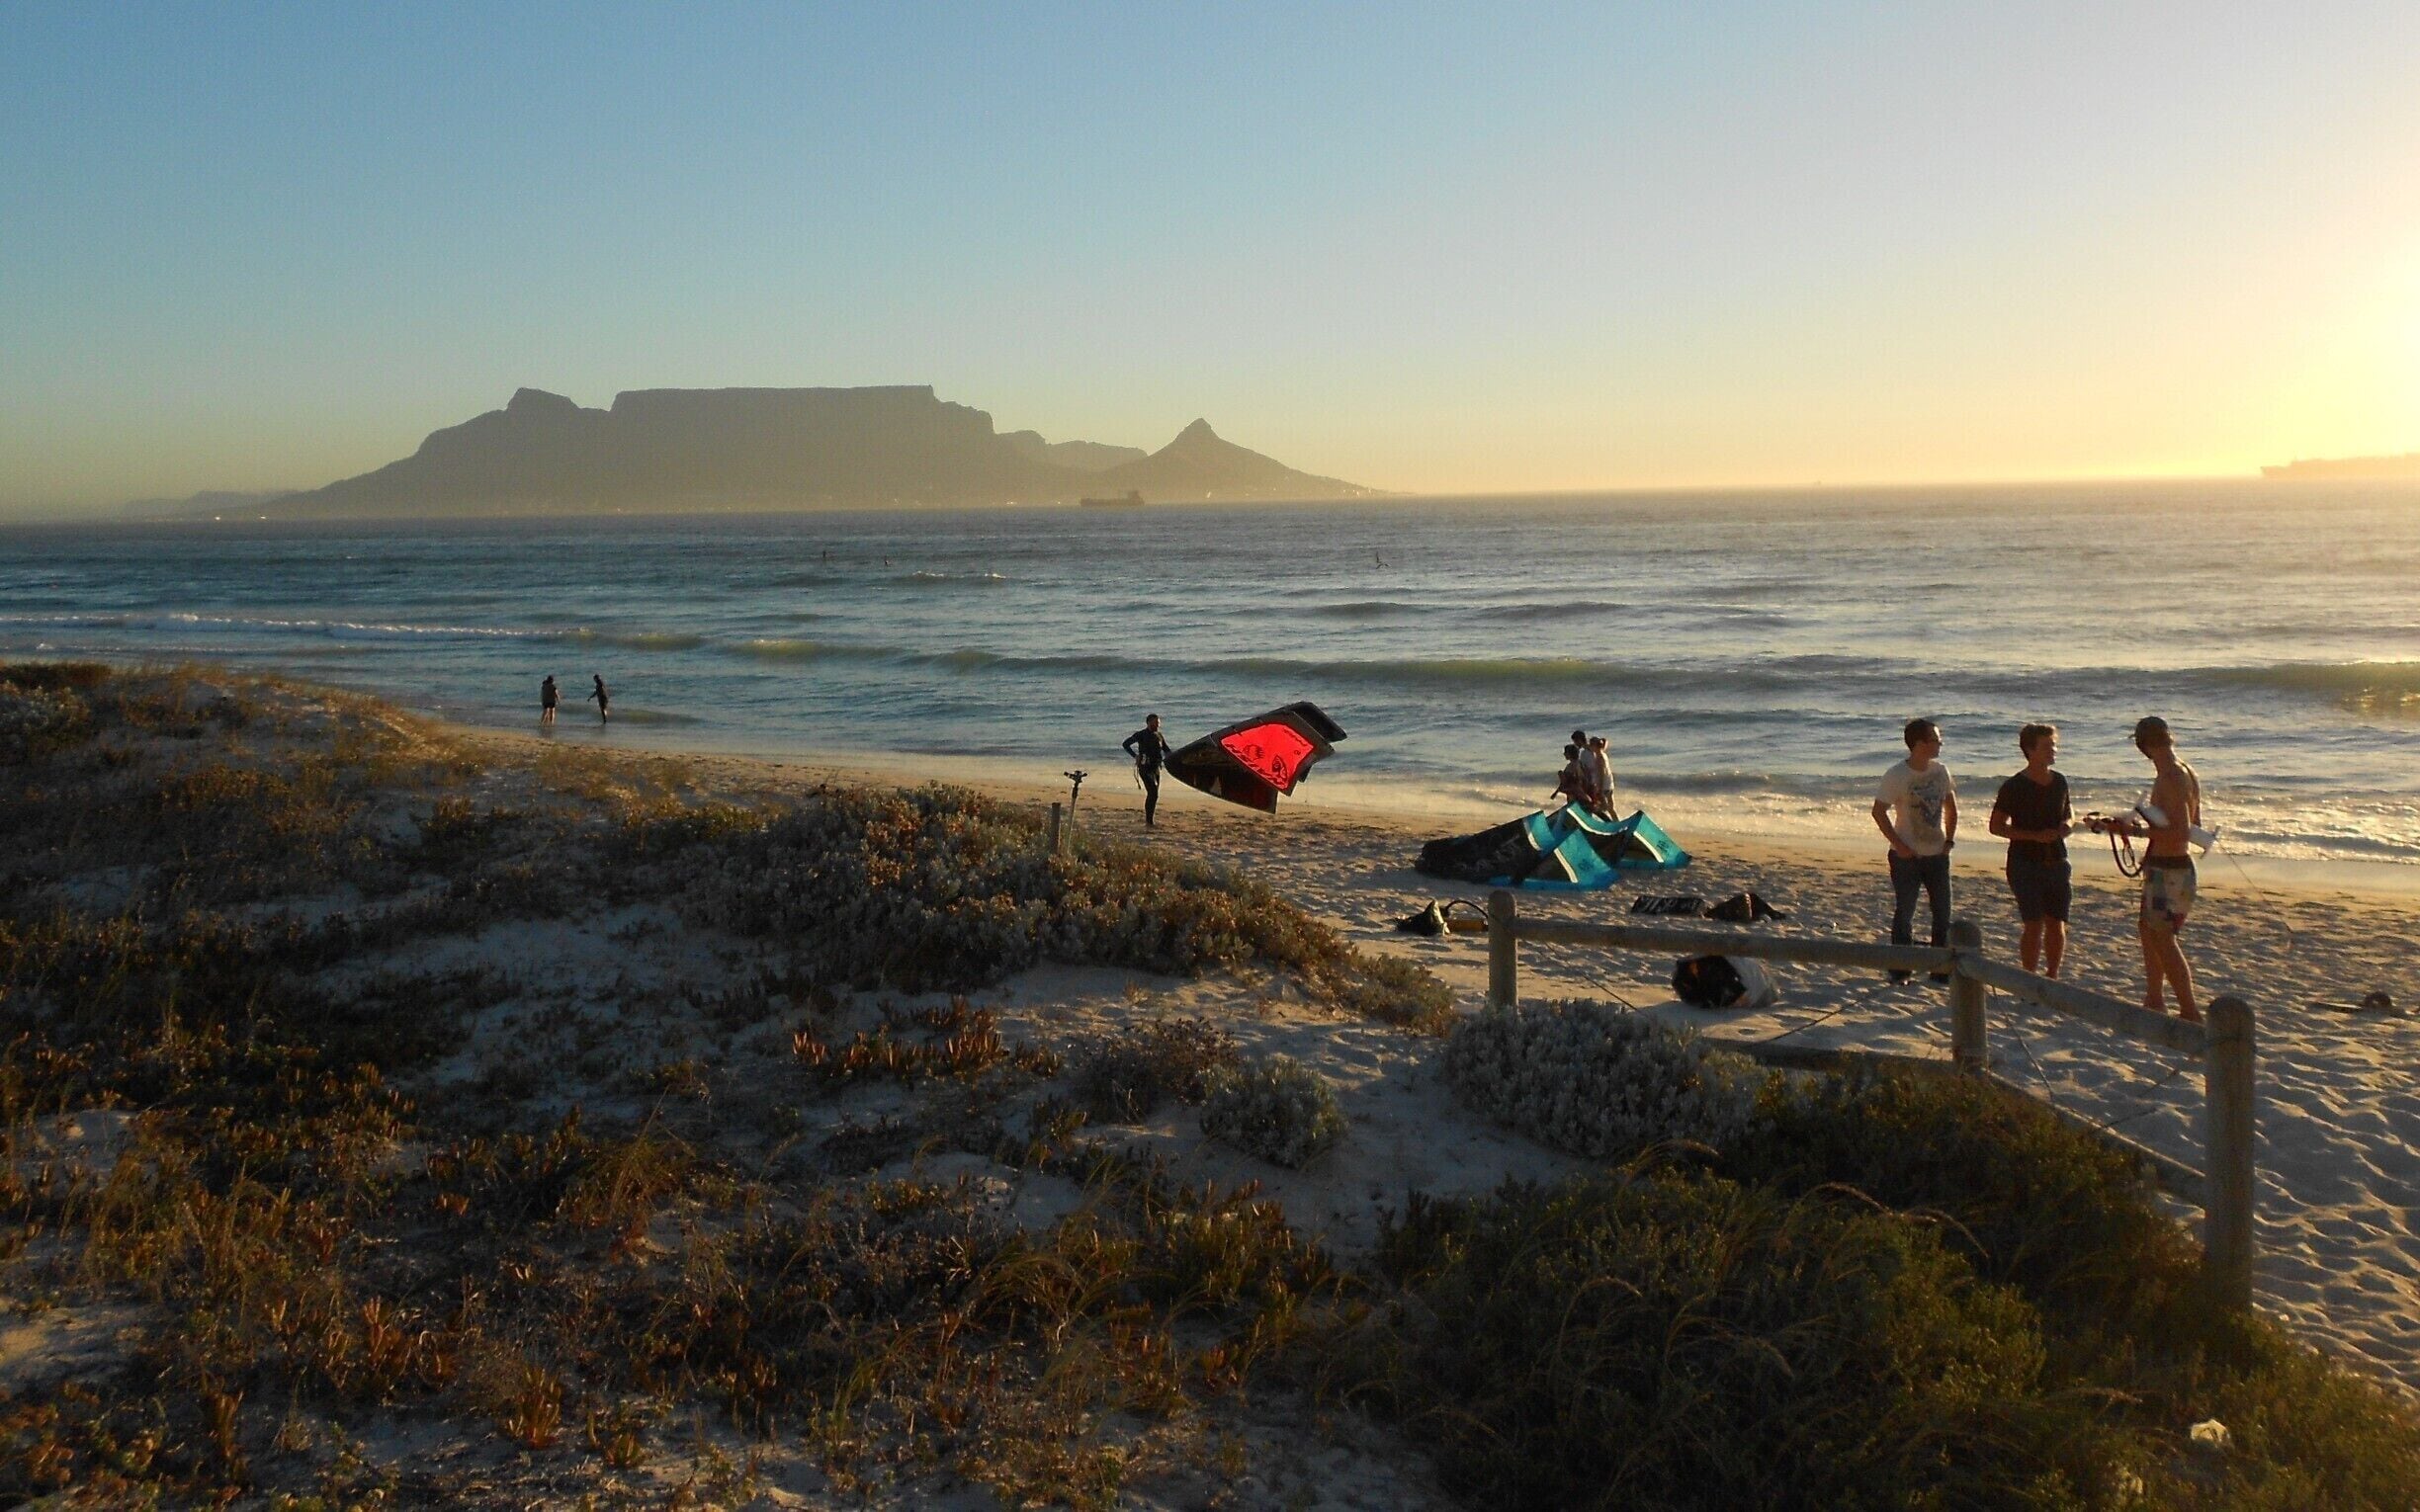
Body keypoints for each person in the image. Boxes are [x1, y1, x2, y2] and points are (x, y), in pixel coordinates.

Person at [2103, 715, 2204, 1023]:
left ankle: (2189, 1010)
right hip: (2170, 866)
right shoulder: (2186, 771)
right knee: (2148, 930)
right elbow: (2194, 825)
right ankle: (2154, 998)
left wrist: (2136, 832)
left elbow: (2181, 832)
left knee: (2163, 937)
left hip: (2170, 869)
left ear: (2143, 746)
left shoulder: (2170, 777)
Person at [1871, 718, 1956, 981]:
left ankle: (1940, 970)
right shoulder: (1897, 774)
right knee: (1905, 912)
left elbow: (1951, 806)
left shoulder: (1941, 771)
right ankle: (1900, 968)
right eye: (1935, 740)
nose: (1940, 744)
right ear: (1919, 744)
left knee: (1942, 913)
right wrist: (1900, 846)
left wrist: (1949, 840)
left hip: (1937, 855)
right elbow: (1878, 812)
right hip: (1906, 857)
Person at [1988, 722, 2072, 976]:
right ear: (2030, 750)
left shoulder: (2059, 781)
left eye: (2054, 745)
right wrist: (2034, 836)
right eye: (2047, 746)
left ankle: (2052, 975)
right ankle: (2029, 977)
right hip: (2024, 864)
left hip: (2057, 860)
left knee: (2057, 923)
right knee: (2033, 924)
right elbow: (1996, 826)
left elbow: (2068, 813)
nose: (2053, 750)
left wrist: (2067, 825)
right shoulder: (2014, 786)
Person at [1122, 713, 1173, 828]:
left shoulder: (1159, 735)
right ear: (1149, 722)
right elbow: (1125, 744)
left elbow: (1166, 750)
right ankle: (1149, 822)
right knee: (1152, 793)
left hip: (1156, 768)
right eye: (1155, 722)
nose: (1158, 725)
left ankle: (1149, 820)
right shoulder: (1141, 734)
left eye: (1158, 722)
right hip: (1144, 767)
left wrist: (1176, 759)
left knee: (1155, 795)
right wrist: (1135, 756)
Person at [1583, 735, 1617, 818]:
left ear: (1594, 746)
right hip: (1609, 783)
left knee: (1601, 807)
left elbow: (1602, 773)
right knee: (1611, 808)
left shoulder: (1599, 757)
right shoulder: (1603, 754)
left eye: (1591, 745)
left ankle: (1604, 821)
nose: (1590, 747)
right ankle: (1616, 822)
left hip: (1604, 785)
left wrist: (1600, 789)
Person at [1551, 742, 1588, 806]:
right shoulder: (1580, 763)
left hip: (1574, 793)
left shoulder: (1571, 766)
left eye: (1565, 752)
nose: (1564, 754)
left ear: (1570, 754)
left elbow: (1566, 781)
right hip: (1582, 791)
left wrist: (1556, 792)